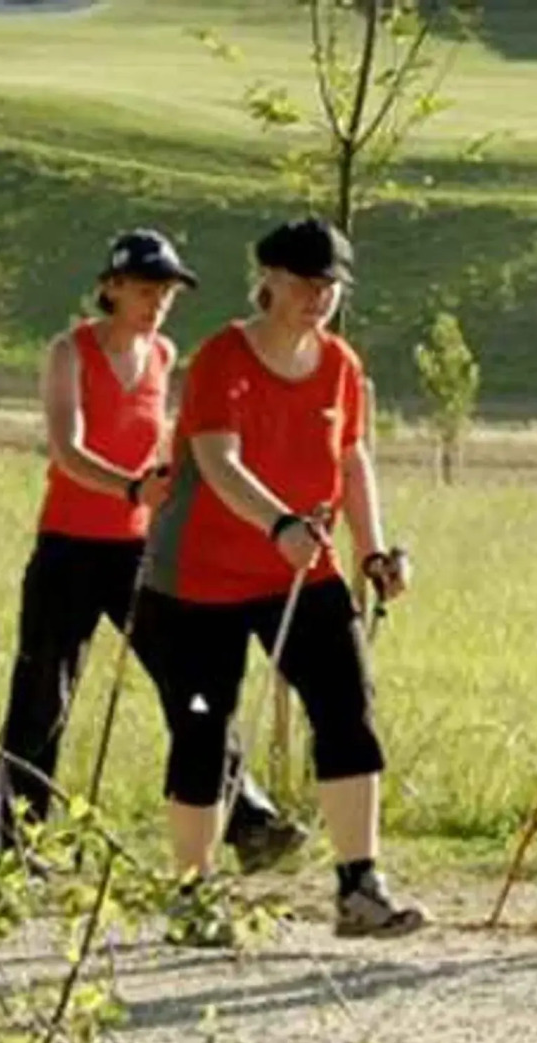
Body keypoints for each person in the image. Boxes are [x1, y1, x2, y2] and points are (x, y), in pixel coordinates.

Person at [134, 215, 422, 944]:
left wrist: (374, 551)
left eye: (329, 284)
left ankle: (360, 885)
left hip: (305, 572)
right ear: (267, 277)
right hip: (199, 581)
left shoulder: (341, 366)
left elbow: (351, 461)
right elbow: (219, 461)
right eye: (303, 282)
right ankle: (194, 898)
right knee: (203, 732)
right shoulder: (221, 359)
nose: (317, 297)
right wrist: (280, 525)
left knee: (347, 712)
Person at [0, 229, 303, 870]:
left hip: (140, 550)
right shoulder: (69, 352)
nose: (157, 301)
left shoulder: (164, 355)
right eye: (145, 288)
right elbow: (65, 449)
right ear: (111, 287)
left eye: (167, 290)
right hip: (69, 546)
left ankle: (247, 817)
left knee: (189, 680)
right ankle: (11, 838)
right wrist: (130, 486)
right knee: (45, 690)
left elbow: (162, 445)